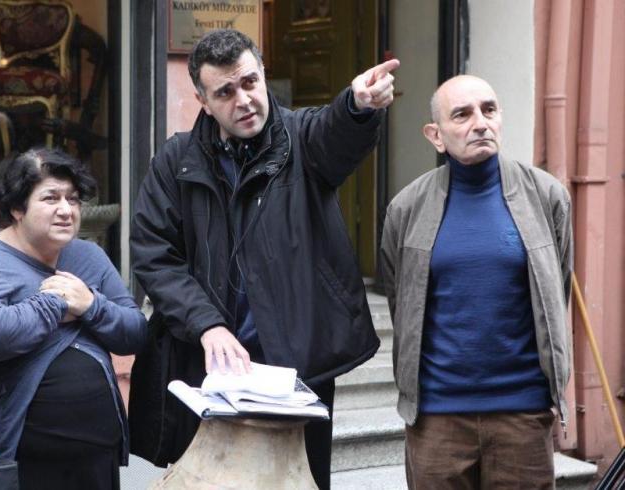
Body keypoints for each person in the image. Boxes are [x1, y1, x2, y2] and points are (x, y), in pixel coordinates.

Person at [130, 28, 399, 489]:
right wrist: (206, 324)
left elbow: (336, 135)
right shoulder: (176, 160)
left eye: (251, 82)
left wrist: (357, 107)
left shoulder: (301, 138)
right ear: (203, 99)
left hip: (293, 363)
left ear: (262, 74)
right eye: (226, 91)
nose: (245, 99)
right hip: (208, 364)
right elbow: (155, 255)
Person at [380, 75, 572, 489]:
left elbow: (557, 292)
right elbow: (403, 303)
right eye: (462, 115)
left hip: (522, 414)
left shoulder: (547, 197)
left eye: (489, 109)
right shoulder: (406, 209)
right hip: (437, 418)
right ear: (435, 135)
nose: (480, 123)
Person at [0, 148, 148, 490]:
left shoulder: (89, 256)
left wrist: (90, 306)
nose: (66, 210)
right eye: (51, 198)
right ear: (17, 208)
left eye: (73, 199)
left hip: (96, 458)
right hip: (16, 463)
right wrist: (55, 303)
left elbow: (134, 331)